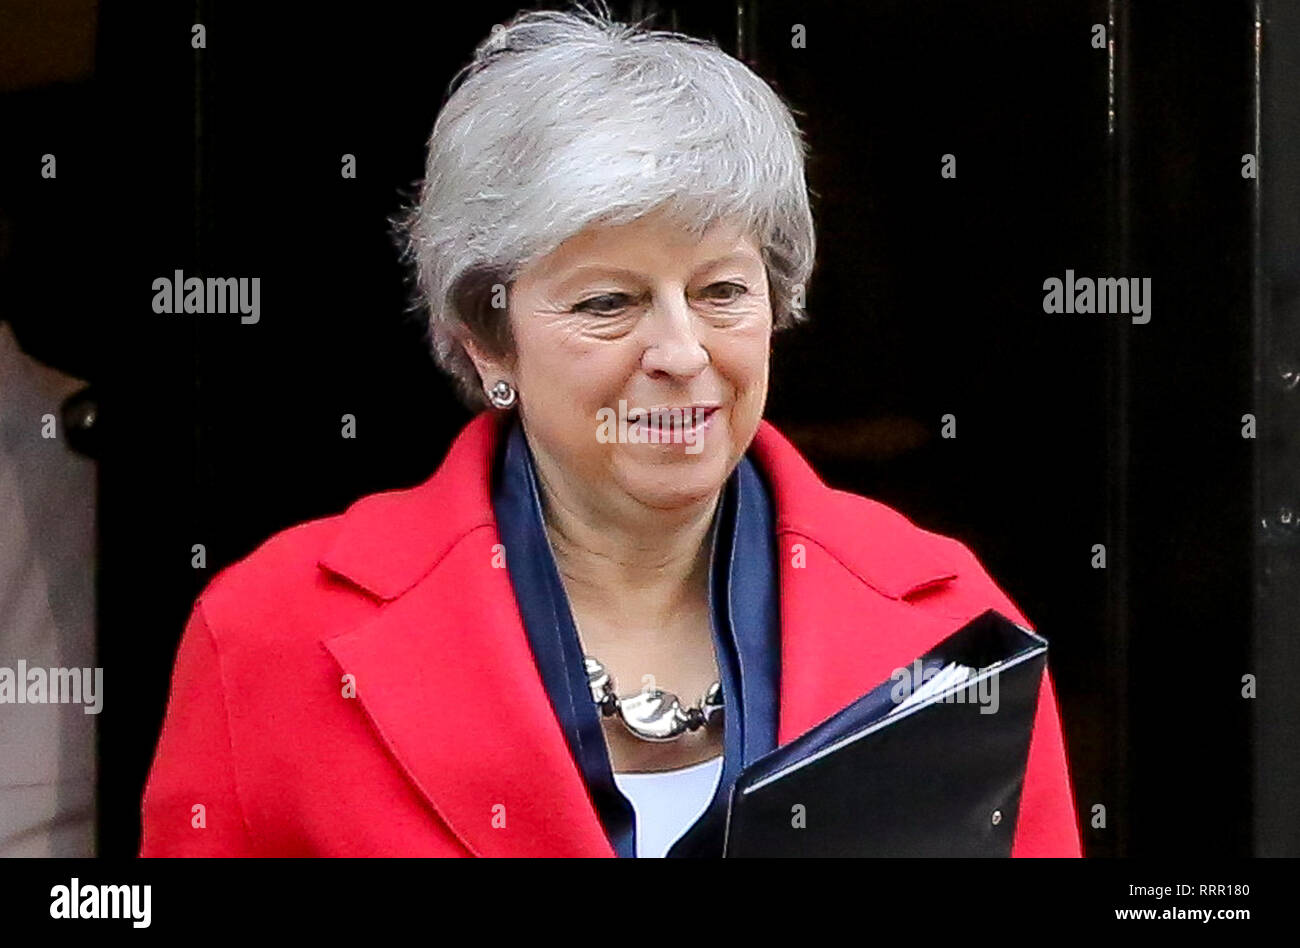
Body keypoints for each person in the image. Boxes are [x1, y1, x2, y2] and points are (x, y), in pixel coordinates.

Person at [139, 5, 1081, 858]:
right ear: (489, 340)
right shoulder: (273, 633)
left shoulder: (944, 618)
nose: (680, 350)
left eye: (720, 290)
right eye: (607, 301)